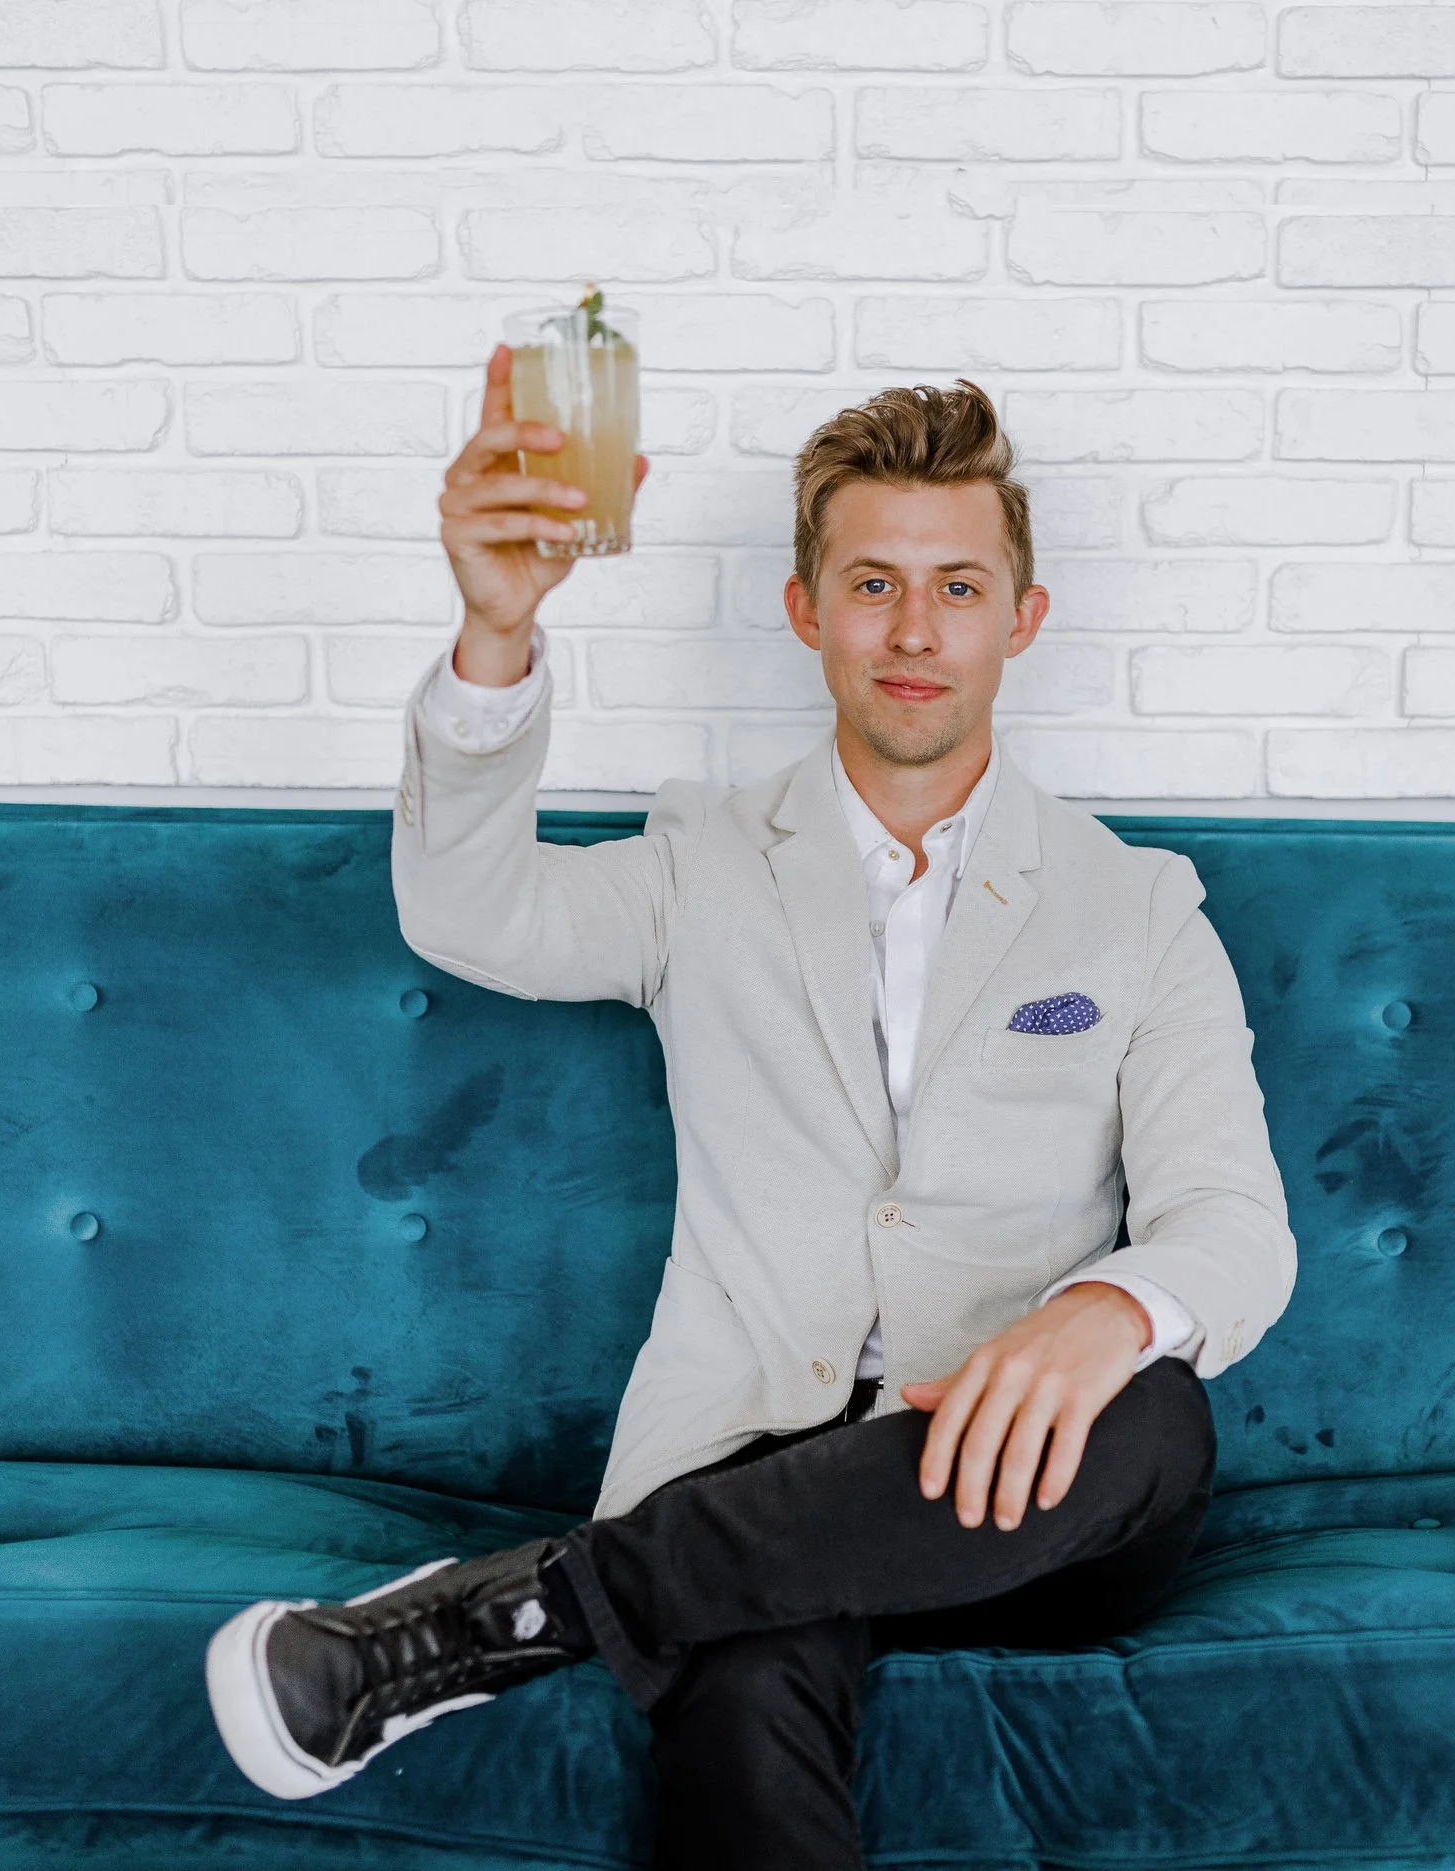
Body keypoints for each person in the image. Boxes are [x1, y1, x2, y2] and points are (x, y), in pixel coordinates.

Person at [205, 354, 1296, 1869]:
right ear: (806, 608)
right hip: (748, 1469)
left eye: (960, 588)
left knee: (1158, 1405)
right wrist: (496, 634)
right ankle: (612, 1591)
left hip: (1035, 1502)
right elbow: (471, 907)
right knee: (747, 1638)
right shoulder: (698, 859)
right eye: (871, 583)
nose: (914, 631)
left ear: (1023, 620)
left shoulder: (1141, 905)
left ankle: (500, 1618)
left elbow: (1235, 1224)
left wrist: (1101, 1313)